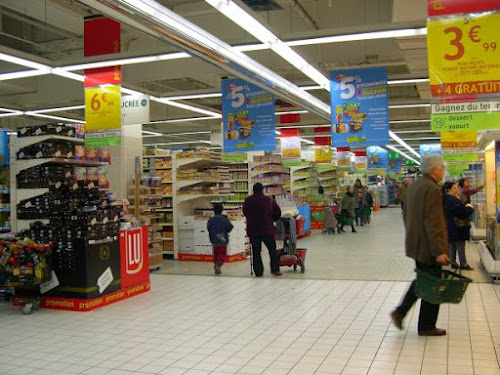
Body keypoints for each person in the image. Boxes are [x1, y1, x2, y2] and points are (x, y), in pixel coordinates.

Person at [391, 154, 450, 336]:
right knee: (432, 284)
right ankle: (423, 323)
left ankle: (405, 314)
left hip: (417, 244)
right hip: (429, 247)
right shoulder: (432, 189)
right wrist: (439, 250)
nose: (443, 170)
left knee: (424, 281)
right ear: (434, 170)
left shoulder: (414, 186)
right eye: (442, 167)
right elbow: (433, 223)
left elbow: (405, 214)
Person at [243, 183, 282, 277]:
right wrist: (272, 219)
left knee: (256, 251)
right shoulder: (269, 200)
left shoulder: (248, 200)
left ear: (253, 190)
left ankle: (258, 272)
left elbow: (245, 212)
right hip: (267, 229)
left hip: (253, 230)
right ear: (262, 190)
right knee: (272, 250)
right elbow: (278, 212)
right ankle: (275, 269)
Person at [442, 182, 474, 270]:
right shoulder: (453, 200)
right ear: (449, 189)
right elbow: (462, 212)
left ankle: (452, 262)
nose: (457, 189)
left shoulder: (445, 199)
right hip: (458, 225)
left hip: (450, 224)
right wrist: (469, 208)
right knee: (460, 244)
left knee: (452, 244)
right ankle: (463, 264)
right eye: (455, 188)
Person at [207, 203, 233, 275]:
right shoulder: (224, 220)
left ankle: (216, 264)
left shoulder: (211, 220)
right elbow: (230, 227)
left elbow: (208, 228)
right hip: (223, 239)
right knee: (222, 254)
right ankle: (218, 265)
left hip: (214, 239)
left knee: (216, 253)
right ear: (222, 210)